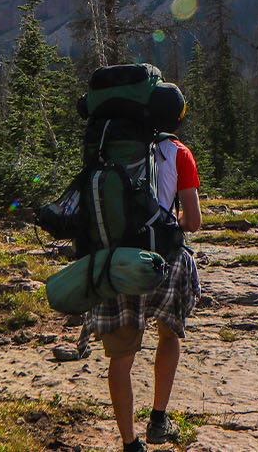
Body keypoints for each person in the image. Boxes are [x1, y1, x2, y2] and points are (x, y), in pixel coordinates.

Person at [85, 133, 203, 452]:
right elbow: (192, 221)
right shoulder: (179, 152)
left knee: (121, 357)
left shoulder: (107, 147)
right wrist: (170, 219)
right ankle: (158, 419)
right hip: (165, 260)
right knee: (168, 336)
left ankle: (130, 442)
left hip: (119, 263)